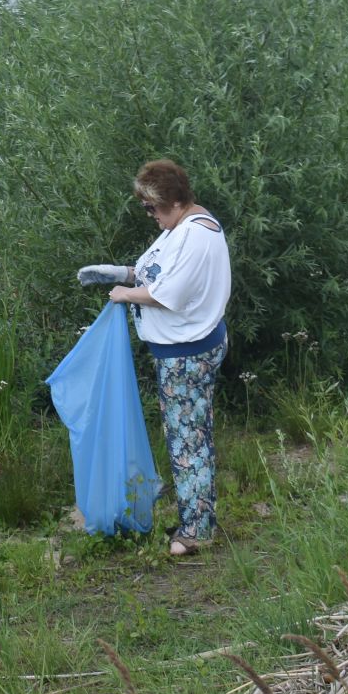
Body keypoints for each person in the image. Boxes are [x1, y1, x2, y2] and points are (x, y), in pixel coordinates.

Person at [78, 160, 231, 557]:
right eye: (146, 208)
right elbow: (157, 271)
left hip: (187, 354)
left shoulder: (195, 237)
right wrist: (124, 273)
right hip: (182, 349)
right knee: (189, 435)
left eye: (154, 208)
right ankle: (197, 517)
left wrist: (123, 294)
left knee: (188, 441)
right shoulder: (181, 228)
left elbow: (169, 294)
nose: (150, 215)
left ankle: (195, 531)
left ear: (177, 202)